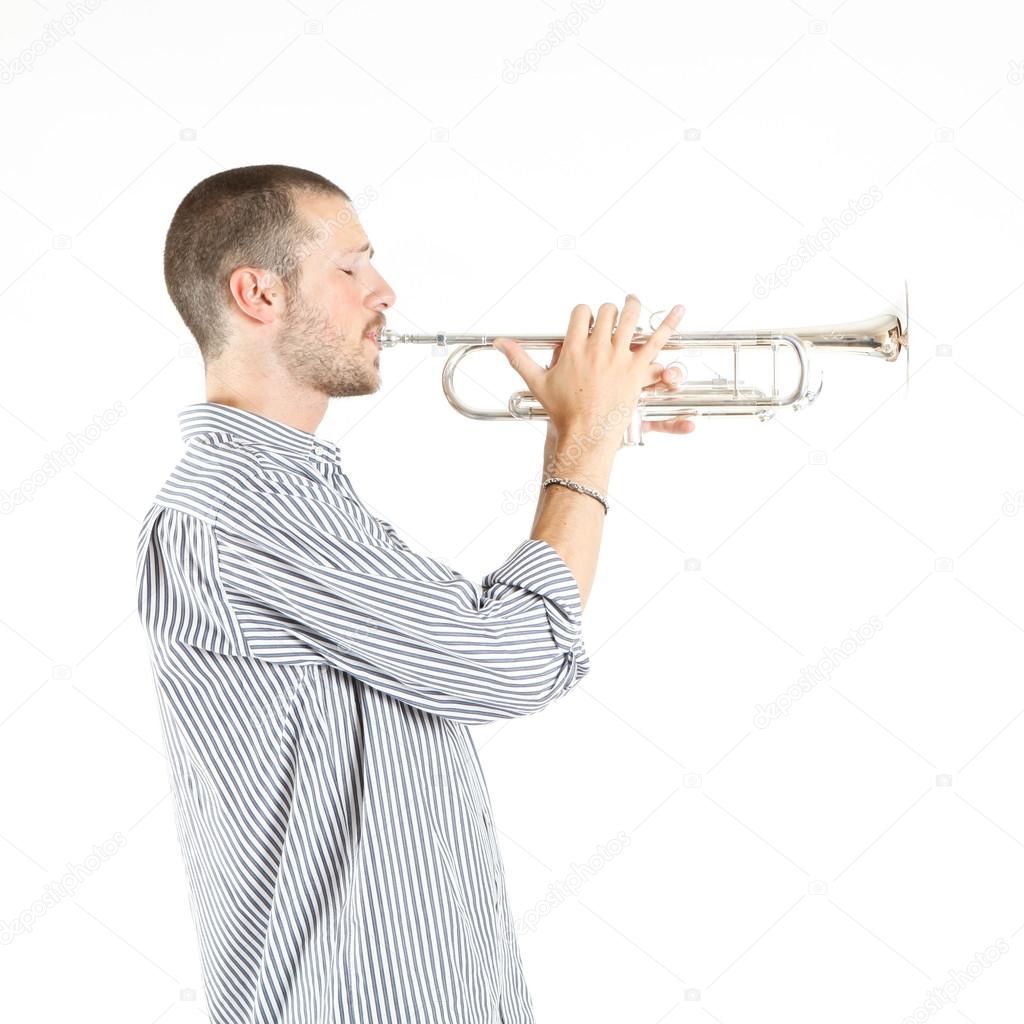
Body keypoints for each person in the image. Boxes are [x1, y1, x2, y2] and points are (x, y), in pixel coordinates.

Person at [135, 163, 694, 1024]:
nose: (384, 291)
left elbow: (483, 646)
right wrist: (586, 441)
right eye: (351, 268)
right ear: (258, 293)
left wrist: (588, 434)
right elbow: (511, 662)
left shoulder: (290, 491)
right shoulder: (247, 503)